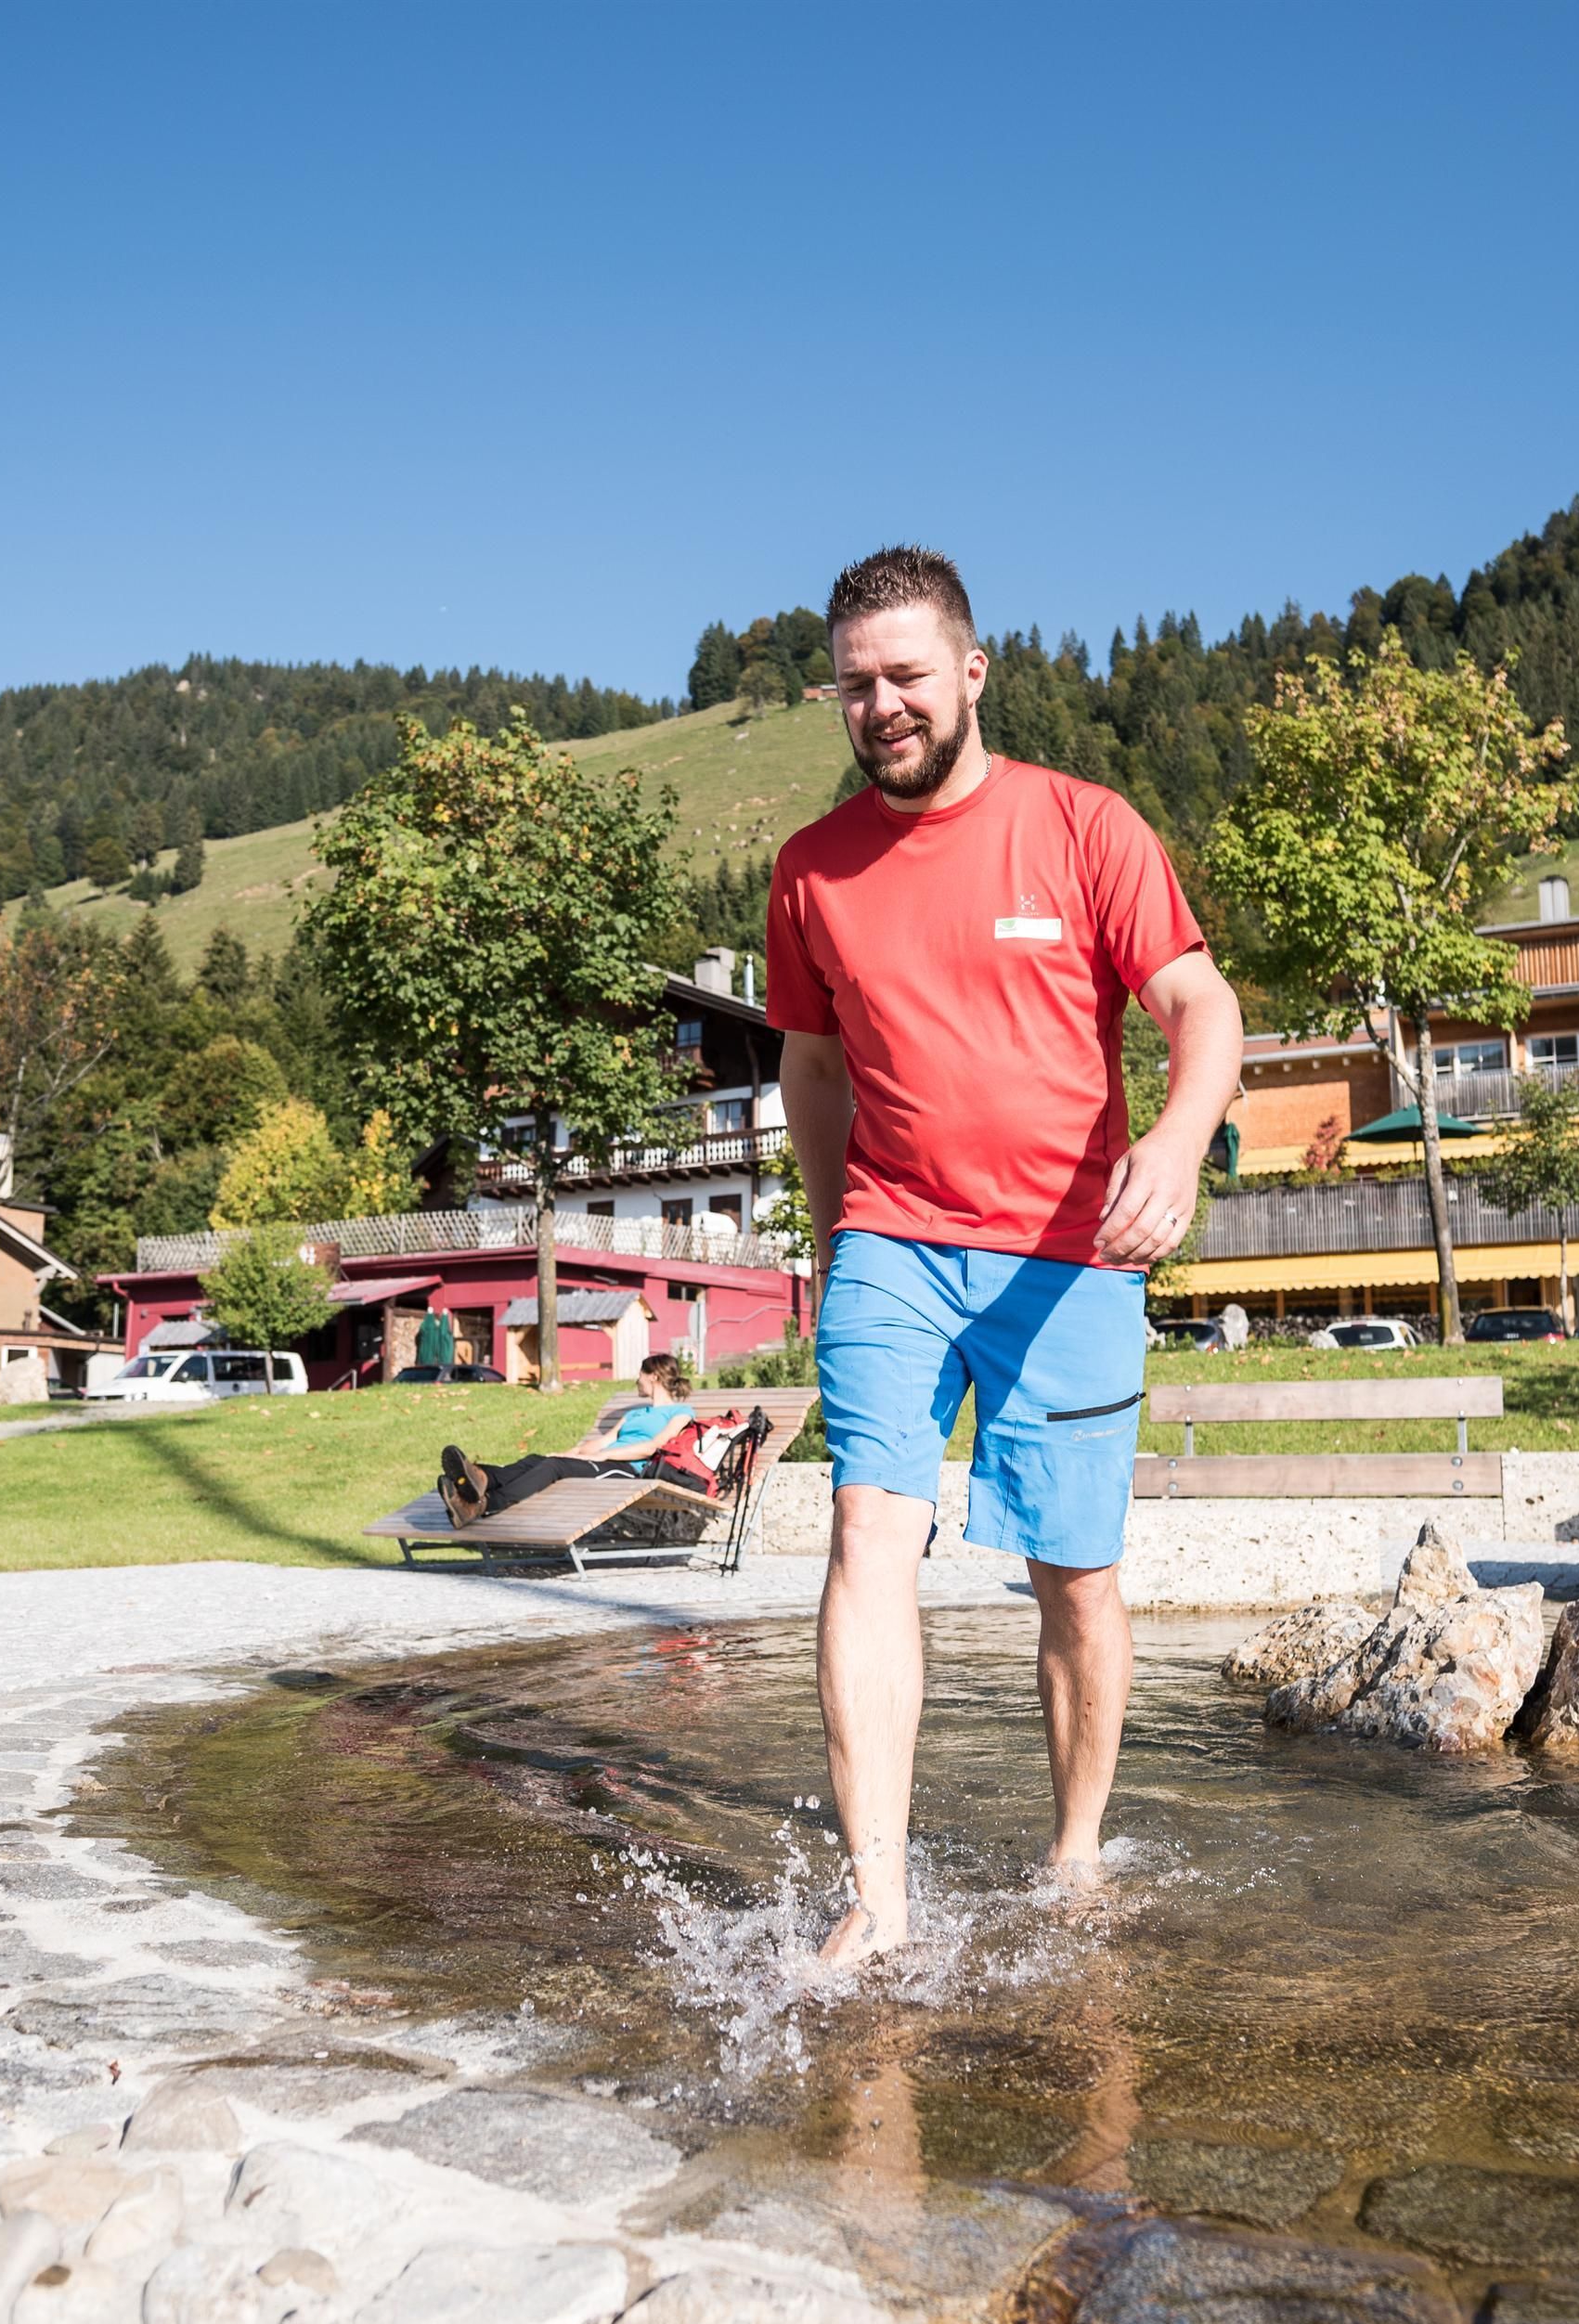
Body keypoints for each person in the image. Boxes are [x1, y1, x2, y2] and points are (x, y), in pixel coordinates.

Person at [767, 545, 1244, 1962]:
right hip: (894, 1247)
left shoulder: (1087, 828)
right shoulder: (811, 872)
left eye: (907, 675)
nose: (884, 706)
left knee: (1075, 1575)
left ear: (972, 671)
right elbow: (810, 1069)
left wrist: (1172, 1143)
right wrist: (832, 1225)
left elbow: (1202, 1008)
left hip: (1070, 1255)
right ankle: (880, 1894)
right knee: (868, 1531)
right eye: (857, 685)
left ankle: (1077, 1848)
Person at [437, 1352, 702, 1523]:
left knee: (554, 1467)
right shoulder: (635, 1413)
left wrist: (603, 1455)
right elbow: (602, 1441)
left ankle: (484, 1504)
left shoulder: (681, 1412)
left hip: (630, 1470)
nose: (637, 1380)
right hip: (605, 1460)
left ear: (653, 1377)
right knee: (539, 1460)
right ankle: (479, 1477)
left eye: (641, 1375)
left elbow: (654, 1447)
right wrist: (569, 1453)